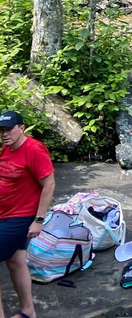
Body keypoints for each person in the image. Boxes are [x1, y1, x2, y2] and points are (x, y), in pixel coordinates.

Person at [0, 111, 54, 318]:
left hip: (19, 217)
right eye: (1, 130)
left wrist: (39, 220)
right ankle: (28, 312)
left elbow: (49, 184)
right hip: (5, 214)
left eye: (9, 129)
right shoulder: (7, 147)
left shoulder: (34, 149)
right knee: (15, 262)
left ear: (21, 128)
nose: (4, 134)